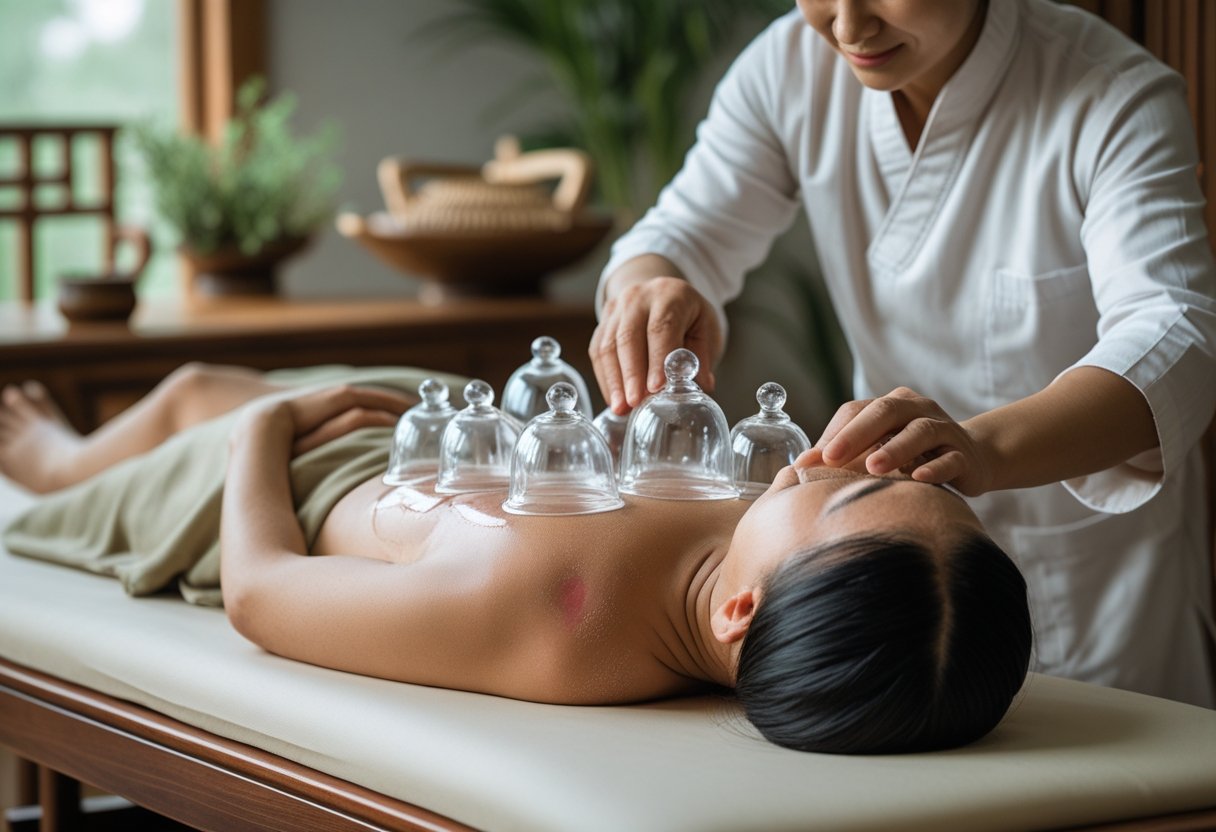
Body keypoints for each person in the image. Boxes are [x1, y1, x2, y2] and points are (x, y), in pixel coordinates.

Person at [590, 0, 1216, 707]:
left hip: (1096, 594)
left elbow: (1179, 336)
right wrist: (654, 286)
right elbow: (682, 232)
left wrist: (981, 449)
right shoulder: (791, 65)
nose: (850, 27)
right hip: (880, 596)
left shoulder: (1113, 96)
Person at [0, 365, 1031, 754]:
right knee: (206, 386)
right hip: (438, 424)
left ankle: (48, 460)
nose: (816, 459)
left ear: (739, 611)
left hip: (299, 474)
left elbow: (263, 595)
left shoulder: (552, 607)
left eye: (841, 489)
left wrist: (258, 435)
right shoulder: (770, 569)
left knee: (193, 391)